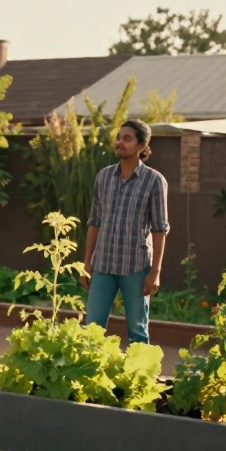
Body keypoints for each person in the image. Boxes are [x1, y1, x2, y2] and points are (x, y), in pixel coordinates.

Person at [80, 118, 170, 345]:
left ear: (142, 145)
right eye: (118, 137)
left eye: (127, 139)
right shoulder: (103, 177)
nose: (119, 142)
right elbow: (94, 222)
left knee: (137, 332)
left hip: (136, 267)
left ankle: (140, 378)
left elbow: (160, 229)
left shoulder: (154, 181)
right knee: (92, 329)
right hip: (103, 265)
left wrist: (155, 272)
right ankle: (89, 376)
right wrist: (86, 263)